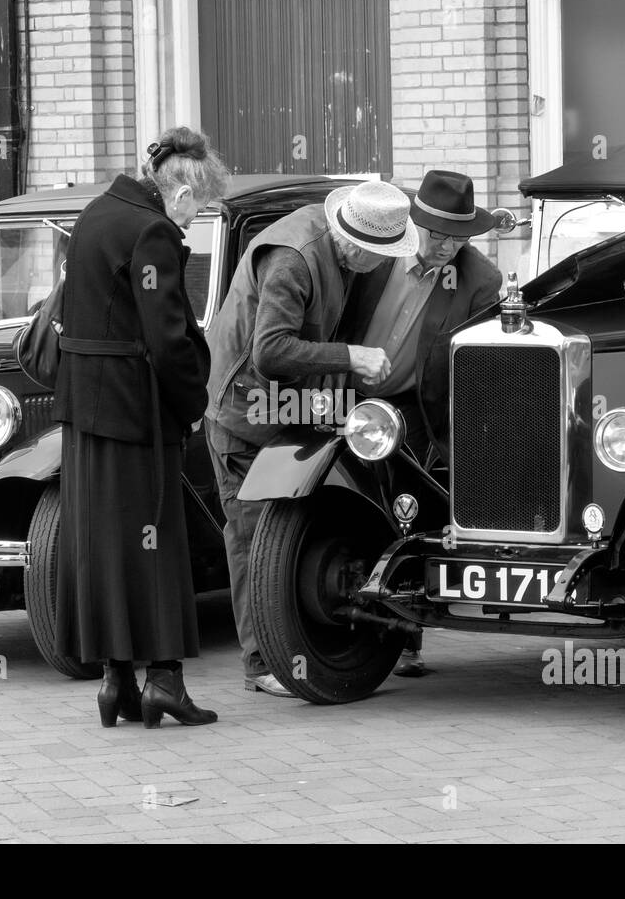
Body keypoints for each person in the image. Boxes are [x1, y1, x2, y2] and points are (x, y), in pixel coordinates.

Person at [204, 180, 419, 696]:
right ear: (357, 246)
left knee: (281, 534)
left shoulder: (332, 247)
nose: (387, 263)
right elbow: (271, 352)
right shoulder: (294, 260)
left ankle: (285, 650)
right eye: (382, 254)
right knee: (253, 537)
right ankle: (262, 663)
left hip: (278, 407)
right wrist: (350, 357)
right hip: (241, 413)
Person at [53, 126, 228, 728]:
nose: (194, 217)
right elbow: (168, 338)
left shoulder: (98, 212)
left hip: (85, 411)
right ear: (179, 191)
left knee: (105, 545)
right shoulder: (152, 231)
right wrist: (191, 402)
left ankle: (115, 682)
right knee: (156, 545)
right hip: (136, 413)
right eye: (198, 205)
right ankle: (165, 682)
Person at [342, 171, 504, 677]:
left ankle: (405, 637)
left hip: (413, 404)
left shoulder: (480, 280)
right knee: (334, 501)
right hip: (340, 387)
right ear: (412, 222)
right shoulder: (378, 249)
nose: (445, 248)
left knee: (403, 509)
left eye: (458, 239)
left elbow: (474, 369)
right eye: (436, 235)